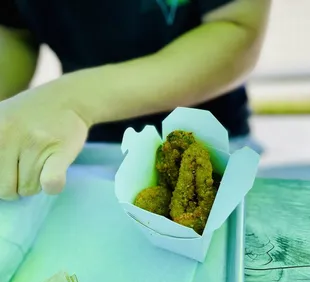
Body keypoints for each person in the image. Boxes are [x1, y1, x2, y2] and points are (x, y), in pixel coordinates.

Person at [0, 0, 271, 200]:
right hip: (81, 149)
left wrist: (75, 99)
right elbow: (14, 30)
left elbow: (238, 28)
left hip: (211, 144)